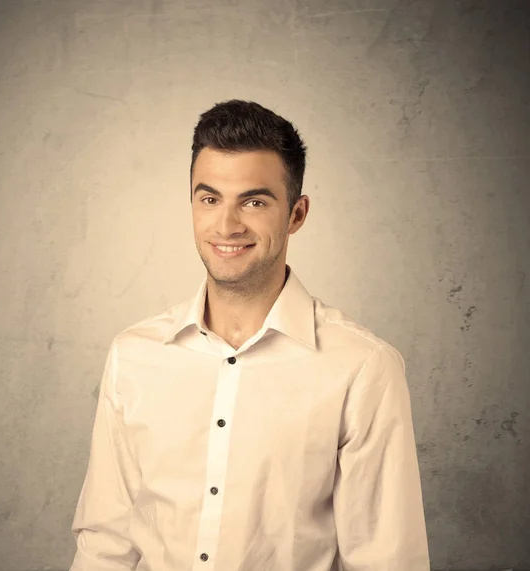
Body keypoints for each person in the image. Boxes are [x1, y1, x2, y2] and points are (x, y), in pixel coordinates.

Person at [69, 99, 430, 571]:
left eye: (254, 202)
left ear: (296, 215)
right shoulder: (134, 356)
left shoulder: (361, 367)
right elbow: (106, 545)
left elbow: (387, 560)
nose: (226, 226)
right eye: (210, 198)